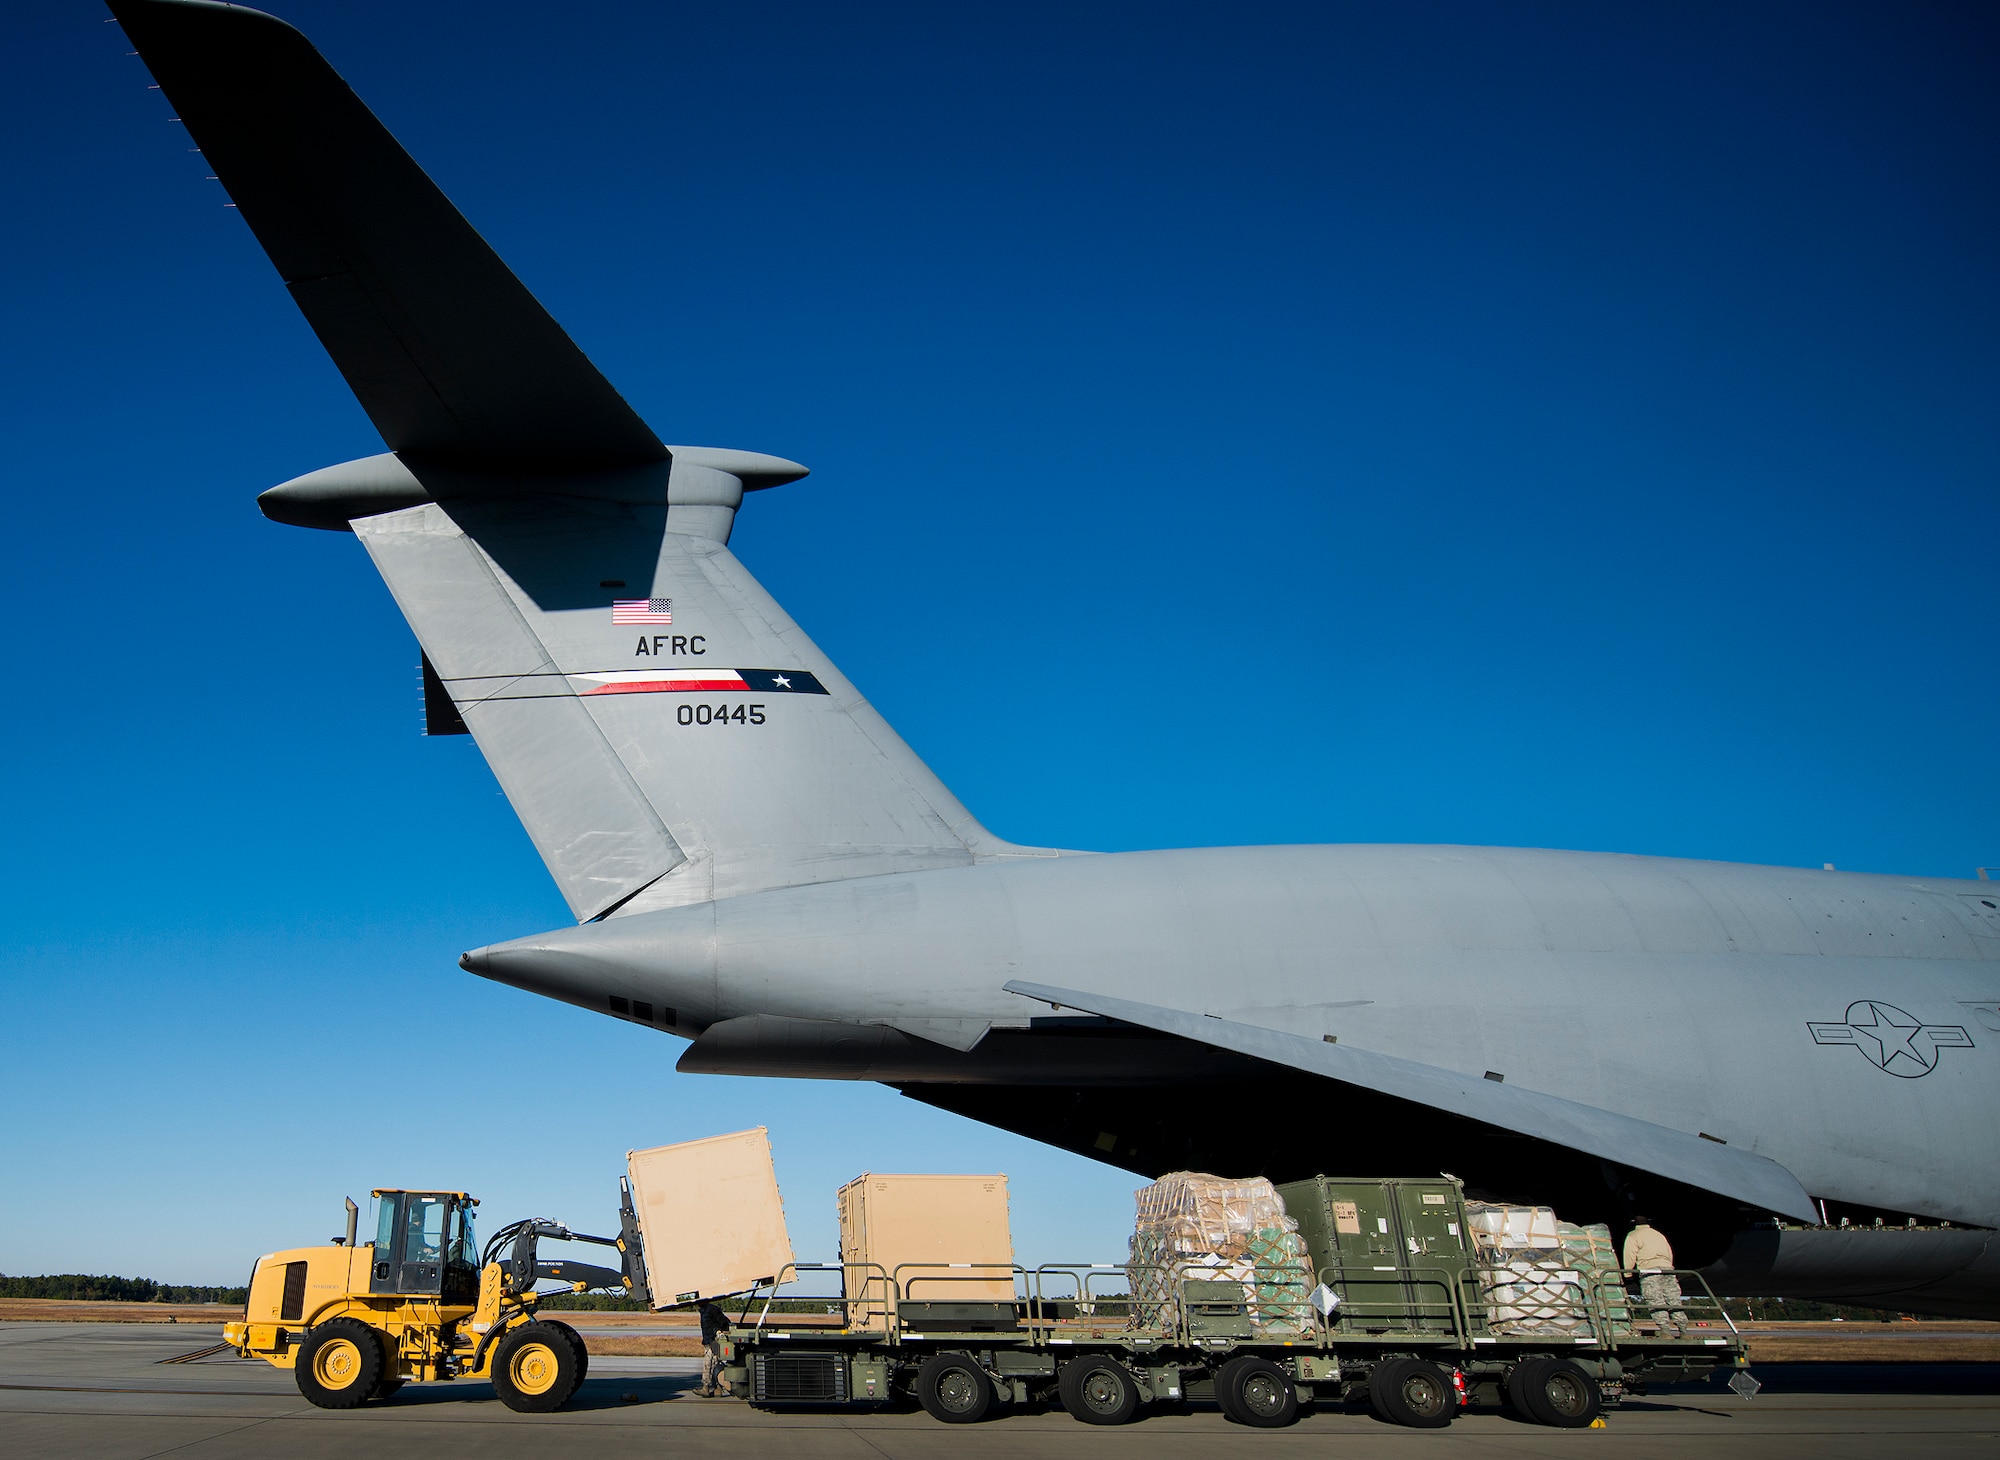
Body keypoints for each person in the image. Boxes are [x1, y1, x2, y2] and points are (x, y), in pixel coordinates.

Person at [1622, 1216, 1688, 1334]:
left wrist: (1628, 1274)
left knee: (1655, 1299)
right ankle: (1683, 1328)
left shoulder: (1633, 1235)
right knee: (1673, 1299)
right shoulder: (1658, 1235)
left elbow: (1629, 1255)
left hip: (1649, 1270)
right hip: (1667, 1269)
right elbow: (1669, 1252)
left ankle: (1665, 1330)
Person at [695, 1300, 733, 1397]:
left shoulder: (711, 1310)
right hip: (708, 1341)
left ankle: (706, 1387)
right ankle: (717, 1388)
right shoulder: (704, 1310)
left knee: (709, 1364)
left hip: (714, 1341)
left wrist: (718, 1332)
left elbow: (725, 1322)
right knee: (714, 1364)